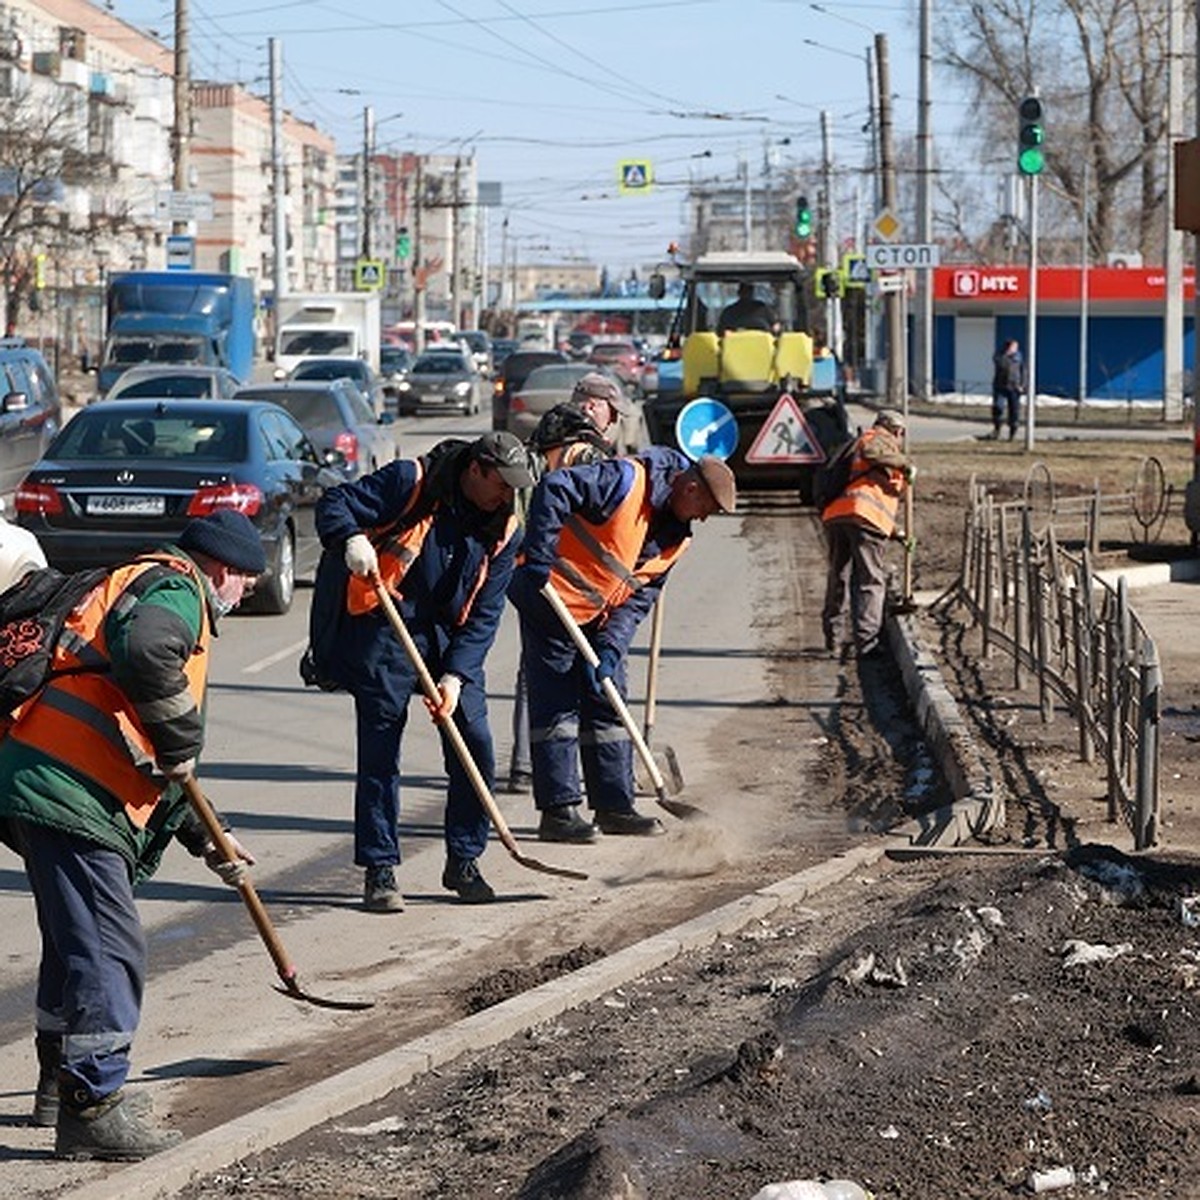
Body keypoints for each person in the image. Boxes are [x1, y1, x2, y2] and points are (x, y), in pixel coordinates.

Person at [0, 509, 264, 1160]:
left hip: (40, 772)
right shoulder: (175, 587)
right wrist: (183, 739)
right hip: (68, 782)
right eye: (246, 587)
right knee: (110, 949)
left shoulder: (131, 580)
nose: (242, 600)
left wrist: (212, 839)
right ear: (224, 570)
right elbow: (148, 655)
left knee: (74, 945)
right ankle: (96, 1106)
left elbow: (154, 757)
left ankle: (57, 1091)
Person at [312, 431, 535, 912]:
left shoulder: (506, 526)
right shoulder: (411, 480)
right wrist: (351, 538)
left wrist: (455, 676)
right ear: (475, 470)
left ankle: (465, 859)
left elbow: (486, 614)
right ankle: (380, 869)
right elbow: (334, 503)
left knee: (473, 743)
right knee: (380, 749)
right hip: (387, 623)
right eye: (501, 483)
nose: (506, 495)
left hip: (449, 636)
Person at [508, 449, 736, 844]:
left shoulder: (675, 541)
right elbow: (556, 487)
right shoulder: (625, 481)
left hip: (598, 618)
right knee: (557, 706)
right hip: (550, 599)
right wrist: (539, 559)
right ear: (691, 487)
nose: (703, 518)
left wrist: (613, 647)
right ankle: (559, 812)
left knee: (610, 703)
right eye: (706, 507)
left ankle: (615, 806)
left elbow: (637, 600)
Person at [504, 372, 632, 794]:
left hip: (531, 573)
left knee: (534, 677)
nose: (612, 424)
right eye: (612, 414)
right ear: (595, 407)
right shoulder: (585, 456)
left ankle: (524, 767)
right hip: (570, 579)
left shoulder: (543, 444)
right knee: (581, 681)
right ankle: (595, 784)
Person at [820, 409, 914, 660]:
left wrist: (898, 533)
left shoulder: (856, 446)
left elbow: (870, 493)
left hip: (838, 515)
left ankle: (834, 636)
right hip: (863, 519)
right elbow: (873, 453)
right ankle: (867, 642)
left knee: (838, 575)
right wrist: (905, 464)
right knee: (870, 580)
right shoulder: (879, 439)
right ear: (898, 431)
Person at [991, 338, 1025, 440]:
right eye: (1013, 346)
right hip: (1000, 386)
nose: (1015, 349)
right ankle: (997, 428)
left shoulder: (1019, 358)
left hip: (1014, 387)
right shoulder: (1000, 356)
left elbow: (1023, 371)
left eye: (1016, 347)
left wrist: (1022, 385)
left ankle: (1012, 432)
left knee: (1014, 410)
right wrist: (1006, 355)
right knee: (998, 406)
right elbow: (997, 362)